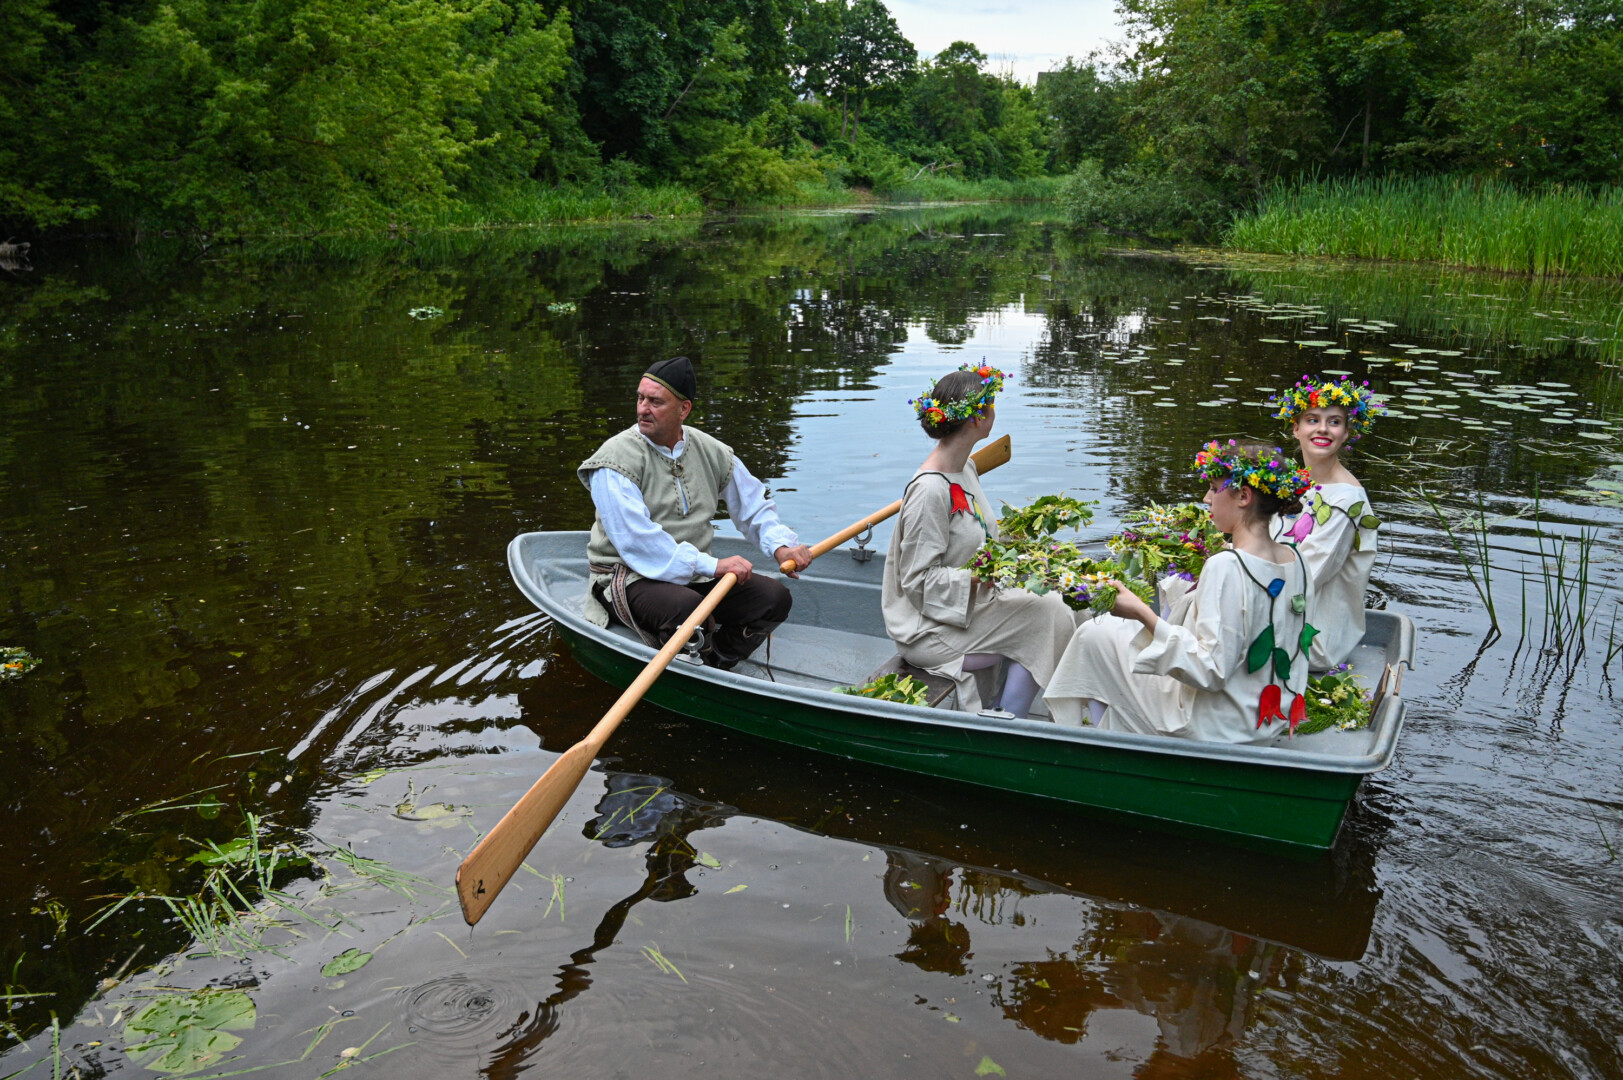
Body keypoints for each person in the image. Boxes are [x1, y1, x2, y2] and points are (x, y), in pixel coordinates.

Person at [1045, 440, 1315, 743]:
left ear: (1243, 495)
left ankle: (1091, 743)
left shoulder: (1227, 565)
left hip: (1216, 725)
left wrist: (1140, 612)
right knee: (1115, 636)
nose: (1206, 498)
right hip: (1267, 718)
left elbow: (1210, 671)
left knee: (1094, 635)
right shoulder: (1298, 559)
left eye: (1214, 489)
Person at [578, 356, 813, 669]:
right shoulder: (615, 459)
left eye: (655, 401)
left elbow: (753, 507)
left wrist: (779, 546)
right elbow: (637, 543)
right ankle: (693, 657)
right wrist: (713, 565)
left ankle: (715, 662)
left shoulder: (710, 450)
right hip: (629, 575)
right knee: (690, 609)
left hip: (691, 574)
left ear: (684, 409)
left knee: (773, 598)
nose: (642, 409)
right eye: (640, 398)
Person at [880, 364, 1077, 718]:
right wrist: (984, 574)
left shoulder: (964, 468)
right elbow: (917, 582)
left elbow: (977, 538)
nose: (995, 411)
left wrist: (1026, 549)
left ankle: (1011, 710)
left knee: (1064, 599)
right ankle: (1007, 722)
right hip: (928, 629)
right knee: (1050, 615)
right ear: (976, 418)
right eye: (991, 404)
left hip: (962, 607)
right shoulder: (930, 491)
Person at [1269, 375, 1383, 670]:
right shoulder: (1294, 483)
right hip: (1280, 604)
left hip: (1313, 636)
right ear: (1296, 428)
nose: (1322, 429)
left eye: (1334, 421)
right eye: (1312, 419)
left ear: (1346, 433)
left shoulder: (1346, 500)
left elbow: (1306, 577)